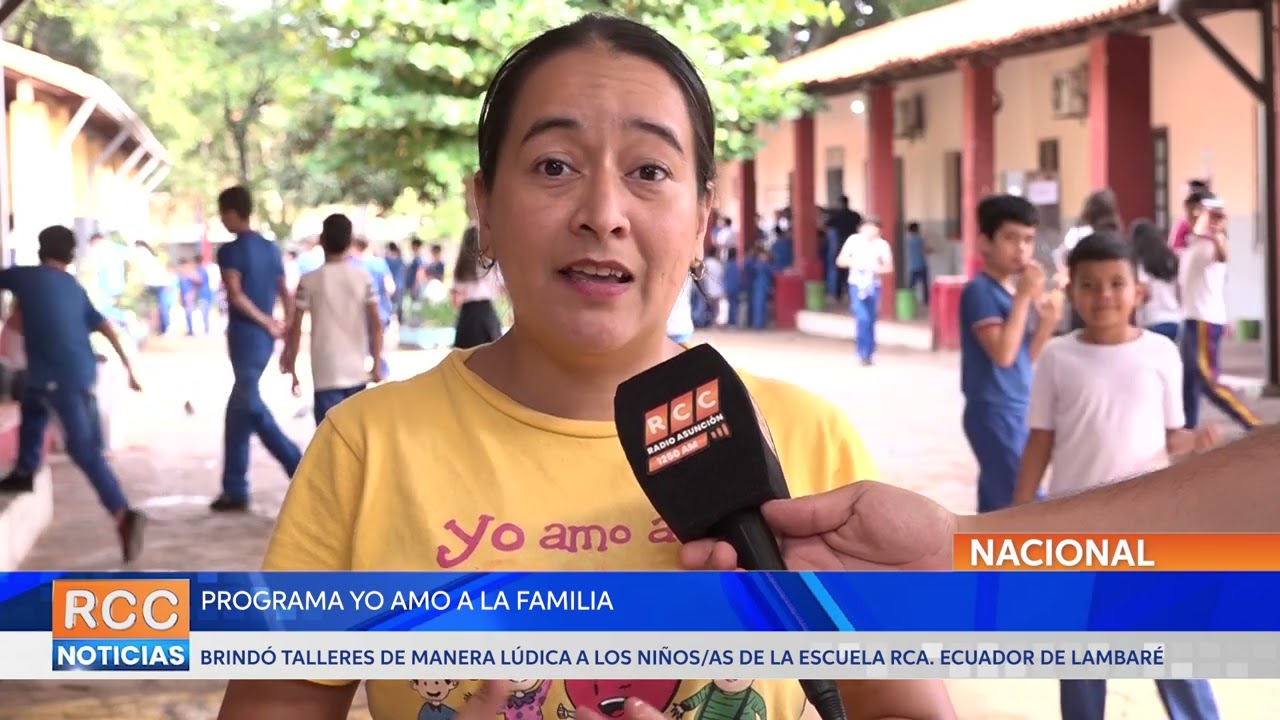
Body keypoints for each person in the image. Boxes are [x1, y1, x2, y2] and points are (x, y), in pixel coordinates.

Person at [218, 14, 953, 719]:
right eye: (554, 165)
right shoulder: (366, 449)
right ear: (486, 207)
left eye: (649, 170)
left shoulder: (807, 441)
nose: (603, 212)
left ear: (701, 220)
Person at [1010, 232, 1222, 720]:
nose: (1103, 295)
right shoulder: (1058, 359)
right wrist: (1020, 513)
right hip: (1078, 528)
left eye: (1115, 283)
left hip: (1153, 525)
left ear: (1137, 291)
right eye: (1089, 284)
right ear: (1072, 292)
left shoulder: (1161, 352)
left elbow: (1173, 438)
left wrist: (1196, 442)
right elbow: (1039, 442)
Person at [0, 225, 146, 562]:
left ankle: (122, 513)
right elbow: (105, 327)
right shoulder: (74, 287)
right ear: (70, 254)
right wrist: (129, 369)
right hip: (76, 373)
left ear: (41, 250)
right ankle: (24, 472)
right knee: (33, 408)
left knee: (83, 450)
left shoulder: (28, 278)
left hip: (58, 377)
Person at [960, 195, 1060, 513]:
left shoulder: (1007, 291)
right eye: (1010, 238)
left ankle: (986, 561)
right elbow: (1002, 354)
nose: (1021, 249)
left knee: (999, 506)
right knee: (1026, 501)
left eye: (1028, 240)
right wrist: (1024, 298)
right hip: (994, 410)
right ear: (985, 242)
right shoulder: (980, 291)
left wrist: (1046, 323)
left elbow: (1022, 358)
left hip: (1016, 405)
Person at [211, 185, 302, 513]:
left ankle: (299, 466)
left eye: (224, 213)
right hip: (262, 339)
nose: (222, 220)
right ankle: (234, 488)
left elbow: (236, 296)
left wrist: (266, 322)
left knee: (249, 406)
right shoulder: (270, 248)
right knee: (238, 411)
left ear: (234, 211)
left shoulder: (229, 252)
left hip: (246, 336)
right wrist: (285, 326)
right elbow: (286, 293)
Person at [282, 214, 383, 427]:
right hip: (357, 371)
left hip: (325, 372)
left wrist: (292, 365)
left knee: (329, 440)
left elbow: (296, 328)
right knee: (355, 440)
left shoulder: (309, 280)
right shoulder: (363, 277)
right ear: (349, 242)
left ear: (322, 240)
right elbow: (376, 324)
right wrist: (376, 364)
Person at [1178, 194, 1261, 432]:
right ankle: (1187, 428)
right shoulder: (1193, 243)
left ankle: (1253, 423)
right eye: (1191, 211)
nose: (1192, 215)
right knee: (1189, 379)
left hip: (1204, 319)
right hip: (1192, 317)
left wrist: (1215, 227)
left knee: (1207, 381)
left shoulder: (1213, 243)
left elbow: (1223, 252)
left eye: (1197, 211)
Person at [1056, 189, 1121, 331]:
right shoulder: (1117, 236)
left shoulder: (1078, 234)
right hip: (1114, 301)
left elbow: (1061, 258)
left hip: (1085, 296)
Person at [835, 217, 892, 366]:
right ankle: (862, 352)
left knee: (871, 319)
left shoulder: (882, 245)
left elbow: (889, 267)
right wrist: (857, 264)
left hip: (873, 284)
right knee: (862, 318)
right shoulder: (853, 241)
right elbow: (840, 261)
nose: (871, 231)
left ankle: (869, 352)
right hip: (856, 284)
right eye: (868, 227)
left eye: (874, 228)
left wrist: (874, 269)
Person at [451, 225, 503, 349]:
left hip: (468, 314)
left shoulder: (460, 268)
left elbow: (456, 300)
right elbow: (501, 288)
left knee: (467, 359)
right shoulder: (489, 264)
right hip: (486, 312)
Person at [1131, 219, 1182, 343]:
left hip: (1152, 321)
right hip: (1176, 321)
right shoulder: (1171, 259)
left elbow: (1144, 294)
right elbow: (1180, 292)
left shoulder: (1141, 263)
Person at [354, 236, 395, 379]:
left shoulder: (355, 265)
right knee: (379, 342)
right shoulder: (380, 263)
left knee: (360, 344)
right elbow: (391, 287)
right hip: (382, 310)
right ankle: (381, 371)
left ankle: (361, 372)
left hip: (360, 312)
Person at [904, 221, 929, 306]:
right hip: (921, 265)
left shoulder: (907, 239)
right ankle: (926, 301)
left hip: (912, 265)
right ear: (916, 229)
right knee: (924, 285)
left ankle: (908, 301)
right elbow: (924, 250)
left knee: (911, 286)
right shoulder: (918, 239)